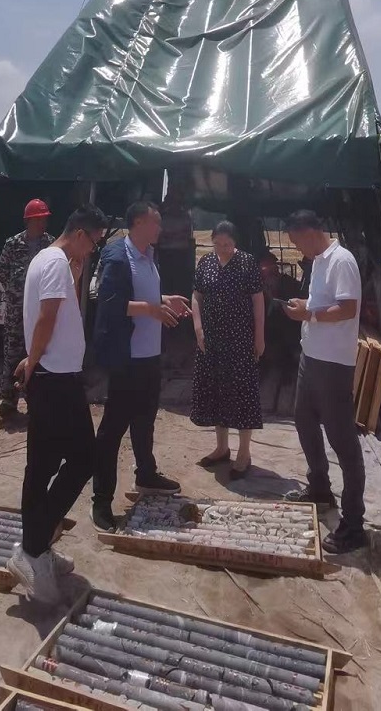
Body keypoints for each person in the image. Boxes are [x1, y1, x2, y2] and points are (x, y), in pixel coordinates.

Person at [7, 204, 108, 604]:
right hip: (54, 379)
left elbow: (54, 314)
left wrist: (76, 276)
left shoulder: (54, 262)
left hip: (57, 375)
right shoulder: (53, 263)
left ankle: (37, 547)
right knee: (83, 459)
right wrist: (32, 363)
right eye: (93, 242)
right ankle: (33, 548)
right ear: (80, 233)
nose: (92, 249)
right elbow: (46, 318)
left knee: (43, 466)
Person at [91, 202, 191, 531]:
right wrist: (151, 309)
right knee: (112, 431)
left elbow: (144, 296)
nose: (160, 228)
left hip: (149, 355)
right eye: (155, 223)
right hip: (127, 359)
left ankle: (146, 475)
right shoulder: (118, 257)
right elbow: (111, 304)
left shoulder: (149, 255)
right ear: (137, 223)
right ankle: (101, 500)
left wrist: (164, 300)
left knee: (145, 421)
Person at [282, 209, 367, 554]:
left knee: (343, 441)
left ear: (309, 232)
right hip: (312, 356)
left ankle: (354, 524)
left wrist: (309, 314)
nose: (296, 248)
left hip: (333, 363)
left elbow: (347, 309)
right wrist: (305, 306)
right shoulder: (317, 261)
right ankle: (319, 489)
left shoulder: (341, 260)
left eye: (296, 241)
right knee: (303, 420)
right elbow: (321, 304)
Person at [190, 220, 265, 478]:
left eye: (227, 244)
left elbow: (258, 301)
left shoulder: (247, 263)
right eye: (218, 244)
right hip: (211, 340)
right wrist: (198, 328)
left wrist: (259, 336)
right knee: (216, 391)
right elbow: (197, 295)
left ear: (235, 243)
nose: (222, 248)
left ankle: (244, 453)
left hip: (240, 339)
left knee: (242, 393)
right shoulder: (206, 262)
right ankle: (221, 448)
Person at [0, 199, 53, 418]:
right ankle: (8, 400)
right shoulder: (12, 244)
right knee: (12, 353)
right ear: (29, 221)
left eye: (44, 219)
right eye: (38, 219)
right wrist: (15, 292)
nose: (42, 223)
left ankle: (34, 400)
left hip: (38, 311)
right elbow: (2, 272)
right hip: (16, 311)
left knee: (35, 354)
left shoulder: (50, 244)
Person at [258, 251, 303, 409]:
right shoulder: (256, 288)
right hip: (266, 328)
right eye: (264, 272)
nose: (269, 275)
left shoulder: (288, 284)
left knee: (287, 336)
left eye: (272, 270)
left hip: (287, 326)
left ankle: (287, 369)